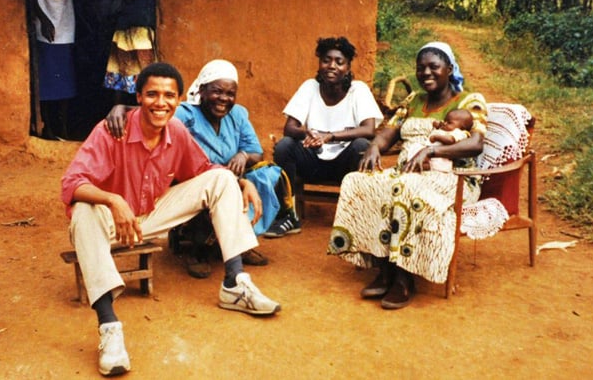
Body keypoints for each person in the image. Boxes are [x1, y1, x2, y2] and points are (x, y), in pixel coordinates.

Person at [61, 62, 281, 377]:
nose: (160, 103)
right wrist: (113, 200)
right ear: (138, 96)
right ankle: (109, 329)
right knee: (83, 210)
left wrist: (241, 182)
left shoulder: (176, 130)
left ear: (179, 101)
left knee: (222, 180)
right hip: (107, 223)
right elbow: (71, 184)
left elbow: (205, 172)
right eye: (152, 94)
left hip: (150, 217)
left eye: (168, 95)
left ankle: (235, 283)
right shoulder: (112, 130)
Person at [328, 41, 494, 310]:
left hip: (454, 176)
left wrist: (432, 151)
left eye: (434, 67)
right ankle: (383, 267)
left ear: (449, 69)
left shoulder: (469, 102)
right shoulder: (413, 100)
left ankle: (404, 277)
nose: (426, 73)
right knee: (359, 182)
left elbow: (476, 144)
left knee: (404, 189)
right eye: (420, 68)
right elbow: (388, 132)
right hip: (407, 171)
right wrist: (373, 147)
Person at [105, 59, 286, 278]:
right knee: (208, 188)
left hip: (228, 176)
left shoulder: (238, 114)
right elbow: (155, 111)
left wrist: (243, 155)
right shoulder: (187, 114)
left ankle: (239, 245)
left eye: (230, 94)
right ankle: (197, 249)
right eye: (217, 91)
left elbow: (256, 151)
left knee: (268, 176)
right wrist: (121, 107)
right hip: (196, 176)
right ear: (201, 90)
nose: (223, 99)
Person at [269, 36, 384, 238]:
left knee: (361, 145)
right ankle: (288, 215)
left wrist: (330, 136)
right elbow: (290, 128)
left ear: (348, 68)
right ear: (319, 64)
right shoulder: (309, 87)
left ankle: (357, 219)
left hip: (345, 165)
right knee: (285, 146)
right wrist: (308, 133)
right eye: (326, 60)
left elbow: (369, 129)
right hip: (313, 160)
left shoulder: (358, 91)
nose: (332, 66)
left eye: (339, 62)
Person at [29, 0, 77, 140]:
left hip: (66, 22)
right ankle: (48, 127)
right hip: (47, 25)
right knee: (48, 80)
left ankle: (63, 129)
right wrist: (42, 18)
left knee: (65, 79)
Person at [100, 0, 159, 104]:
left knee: (134, 73)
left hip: (140, 28)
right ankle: (119, 113)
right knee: (124, 73)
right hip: (130, 29)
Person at [397, 108, 474, 173]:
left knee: (429, 163)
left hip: (440, 157)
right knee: (415, 147)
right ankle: (416, 165)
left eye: (449, 123)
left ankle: (420, 167)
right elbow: (439, 125)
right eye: (445, 121)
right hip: (429, 154)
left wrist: (436, 137)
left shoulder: (459, 133)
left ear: (462, 127)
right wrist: (438, 125)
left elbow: (451, 140)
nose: (445, 123)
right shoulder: (446, 129)